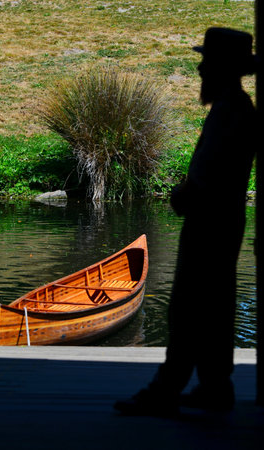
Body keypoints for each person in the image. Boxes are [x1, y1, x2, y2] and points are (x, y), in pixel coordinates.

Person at [114, 27, 258, 417]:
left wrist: (186, 194)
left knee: (189, 307)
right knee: (210, 305)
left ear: (223, 68)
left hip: (212, 223)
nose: (200, 68)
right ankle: (214, 387)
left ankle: (168, 388)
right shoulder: (233, 107)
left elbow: (215, 174)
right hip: (218, 222)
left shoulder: (233, 111)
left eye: (207, 61)